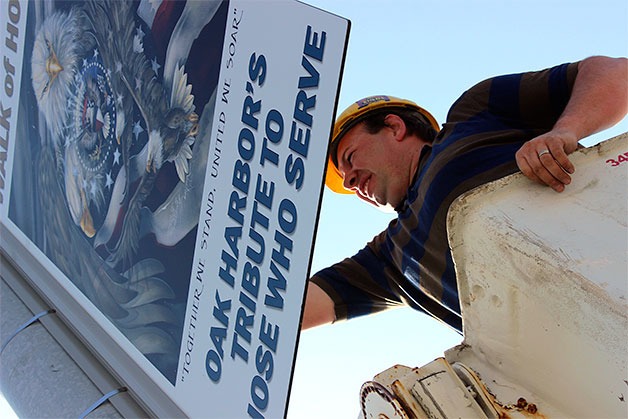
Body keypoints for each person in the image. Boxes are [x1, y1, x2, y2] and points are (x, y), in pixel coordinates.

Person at [301, 55, 628, 332]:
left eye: (350, 158)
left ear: (395, 127)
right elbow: (287, 308)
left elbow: (614, 72)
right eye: (345, 182)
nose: (350, 182)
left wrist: (564, 131)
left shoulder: (475, 114)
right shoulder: (390, 260)